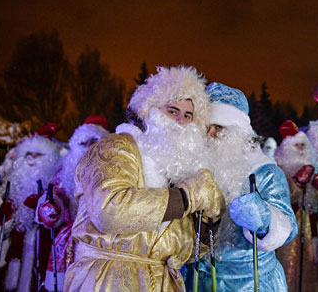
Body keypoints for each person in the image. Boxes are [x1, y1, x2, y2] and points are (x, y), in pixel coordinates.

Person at [64, 65, 226, 291]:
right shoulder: (115, 148)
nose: (181, 121)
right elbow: (110, 211)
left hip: (161, 280)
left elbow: (185, 250)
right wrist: (187, 197)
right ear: (149, 110)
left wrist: (209, 220)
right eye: (172, 111)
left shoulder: (174, 173)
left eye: (188, 115)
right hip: (107, 279)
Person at [192, 82, 297, 292]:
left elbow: (288, 226)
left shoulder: (264, 171)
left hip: (252, 281)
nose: (211, 135)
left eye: (219, 128)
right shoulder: (193, 169)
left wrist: (264, 217)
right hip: (201, 279)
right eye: (207, 128)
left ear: (238, 131)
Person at [36, 116, 109, 291]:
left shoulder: (113, 170)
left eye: (94, 142)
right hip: (71, 239)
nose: (89, 148)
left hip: (104, 239)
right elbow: (56, 193)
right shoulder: (66, 170)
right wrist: (51, 206)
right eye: (84, 143)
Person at [1, 122, 61, 292]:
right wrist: (3, 217)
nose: (32, 160)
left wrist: (46, 208)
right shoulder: (13, 185)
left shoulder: (56, 183)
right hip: (15, 247)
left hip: (42, 245)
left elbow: (61, 216)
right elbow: (1, 232)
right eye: (29, 155)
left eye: (38, 155)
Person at [274, 120, 318, 292]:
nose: (302, 150)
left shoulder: (313, 168)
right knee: (291, 264)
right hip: (291, 226)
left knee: (313, 264)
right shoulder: (279, 168)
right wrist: (297, 181)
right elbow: (281, 196)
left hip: (313, 227)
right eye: (297, 146)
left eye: (304, 145)